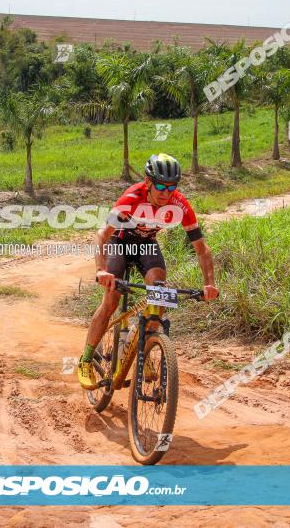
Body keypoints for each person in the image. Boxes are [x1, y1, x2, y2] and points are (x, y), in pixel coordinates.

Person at [77, 153, 219, 389]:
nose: (166, 192)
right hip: (119, 243)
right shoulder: (133, 197)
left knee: (159, 290)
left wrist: (209, 284)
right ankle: (85, 360)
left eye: (172, 187)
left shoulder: (179, 203)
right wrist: (101, 270)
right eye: (161, 186)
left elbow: (202, 249)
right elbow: (102, 234)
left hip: (146, 245)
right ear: (148, 181)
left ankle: (145, 347)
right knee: (111, 300)